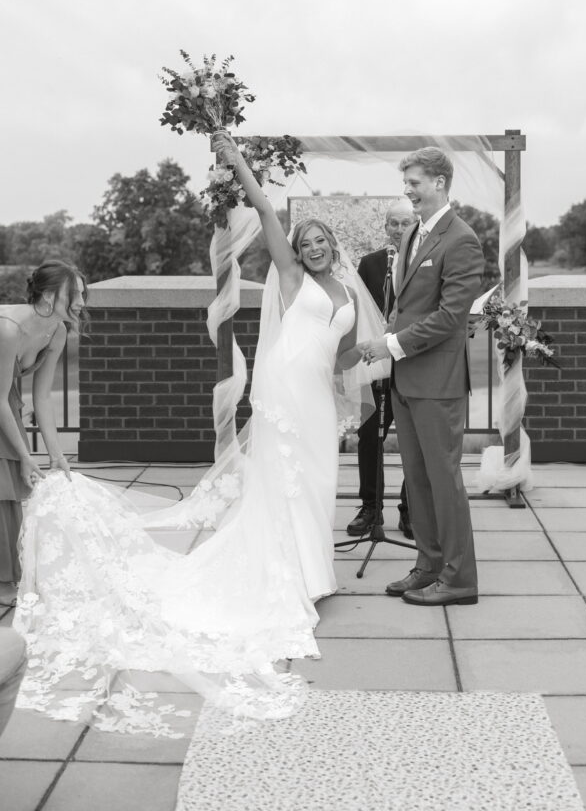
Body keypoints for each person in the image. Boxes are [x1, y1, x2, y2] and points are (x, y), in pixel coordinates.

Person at [14, 132, 388, 733]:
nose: (314, 247)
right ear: (296, 248)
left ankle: (315, 573)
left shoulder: (347, 292)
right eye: (306, 241)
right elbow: (265, 207)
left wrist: (373, 355)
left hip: (317, 396)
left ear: (333, 245)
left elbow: (342, 358)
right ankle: (291, 578)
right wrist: (233, 153)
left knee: (318, 484)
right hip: (282, 391)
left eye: (322, 241)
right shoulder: (291, 276)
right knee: (283, 484)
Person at [362, 147, 484, 607]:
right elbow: (406, 304)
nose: (408, 190)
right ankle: (429, 566)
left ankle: (460, 579)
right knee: (418, 480)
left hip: (438, 384)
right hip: (407, 381)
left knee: (444, 481)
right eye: (406, 182)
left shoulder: (462, 239)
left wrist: (391, 345)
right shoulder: (413, 232)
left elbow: (452, 316)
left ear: (439, 182)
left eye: (415, 182)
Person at [0, 261, 86, 607]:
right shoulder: (8, 330)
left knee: (6, 486)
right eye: (75, 293)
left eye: (83, 293)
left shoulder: (58, 331)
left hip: (6, 399)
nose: (81, 301)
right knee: (6, 476)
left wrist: (56, 454)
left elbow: (42, 397)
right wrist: (24, 455)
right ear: (50, 295)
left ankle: (6, 578)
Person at [346, 199, 416, 538]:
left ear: (415, 225)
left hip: (412, 362)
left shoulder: (424, 261)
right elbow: (359, 312)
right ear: (385, 227)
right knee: (369, 436)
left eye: (406, 223)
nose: (399, 230)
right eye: (393, 224)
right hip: (377, 361)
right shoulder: (371, 263)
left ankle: (411, 509)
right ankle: (371, 508)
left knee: (414, 440)